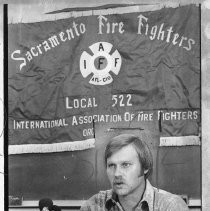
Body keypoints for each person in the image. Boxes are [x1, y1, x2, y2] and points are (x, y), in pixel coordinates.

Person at [80, 133, 189, 211]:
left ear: (145, 166)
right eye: (111, 165)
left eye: (125, 165)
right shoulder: (93, 206)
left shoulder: (171, 206)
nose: (117, 173)